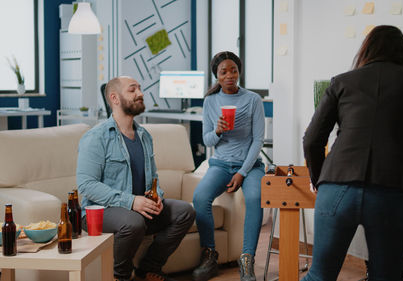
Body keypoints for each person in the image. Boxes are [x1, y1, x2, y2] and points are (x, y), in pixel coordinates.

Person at [302, 25, 403, 281]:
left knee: (319, 276)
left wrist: (320, 179)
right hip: (390, 189)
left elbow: (312, 140)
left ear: (366, 50)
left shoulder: (341, 82)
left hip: (337, 186)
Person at [77, 76, 195, 281]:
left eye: (140, 88)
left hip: (139, 210)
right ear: (114, 98)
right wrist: (131, 201)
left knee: (184, 212)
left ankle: (149, 268)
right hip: (100, 212)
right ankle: (119, 276)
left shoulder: (144, 136)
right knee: (133, 222)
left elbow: (153, 178)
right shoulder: (96, 137)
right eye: (132, 90)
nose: (140, 93)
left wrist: (156, 196)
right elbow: (87, 185)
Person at [191, 51, 265, 281]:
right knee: (200, 198)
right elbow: (208, 141)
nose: (230, 75)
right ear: (217, 76)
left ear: (239, 71)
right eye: (224, 72)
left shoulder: (253, 100)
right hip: (221, 163)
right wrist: (218, 131)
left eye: (233, 70)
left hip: (250, 165)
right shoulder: (210, 101)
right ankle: (210, 254)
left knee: (255, 198)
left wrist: (242, 172)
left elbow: (258, 140)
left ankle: (247, 260)